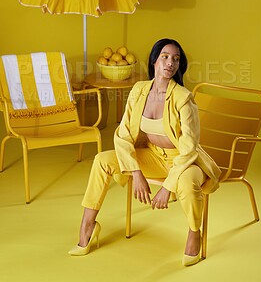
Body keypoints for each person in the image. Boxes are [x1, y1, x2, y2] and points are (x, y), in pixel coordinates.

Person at [68, 38, 221, 266]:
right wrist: (136, 172)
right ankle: (88, 225)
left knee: (188, 184)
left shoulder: (183, 98)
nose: (170, 63)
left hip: (185, 162)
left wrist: (167, 187)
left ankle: (194, 232)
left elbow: (189, 149)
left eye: (176, 59)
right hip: (151, 154)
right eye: (165, 57)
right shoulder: (139, 90)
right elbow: (123, 135)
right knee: (102, 160)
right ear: (154, 61)